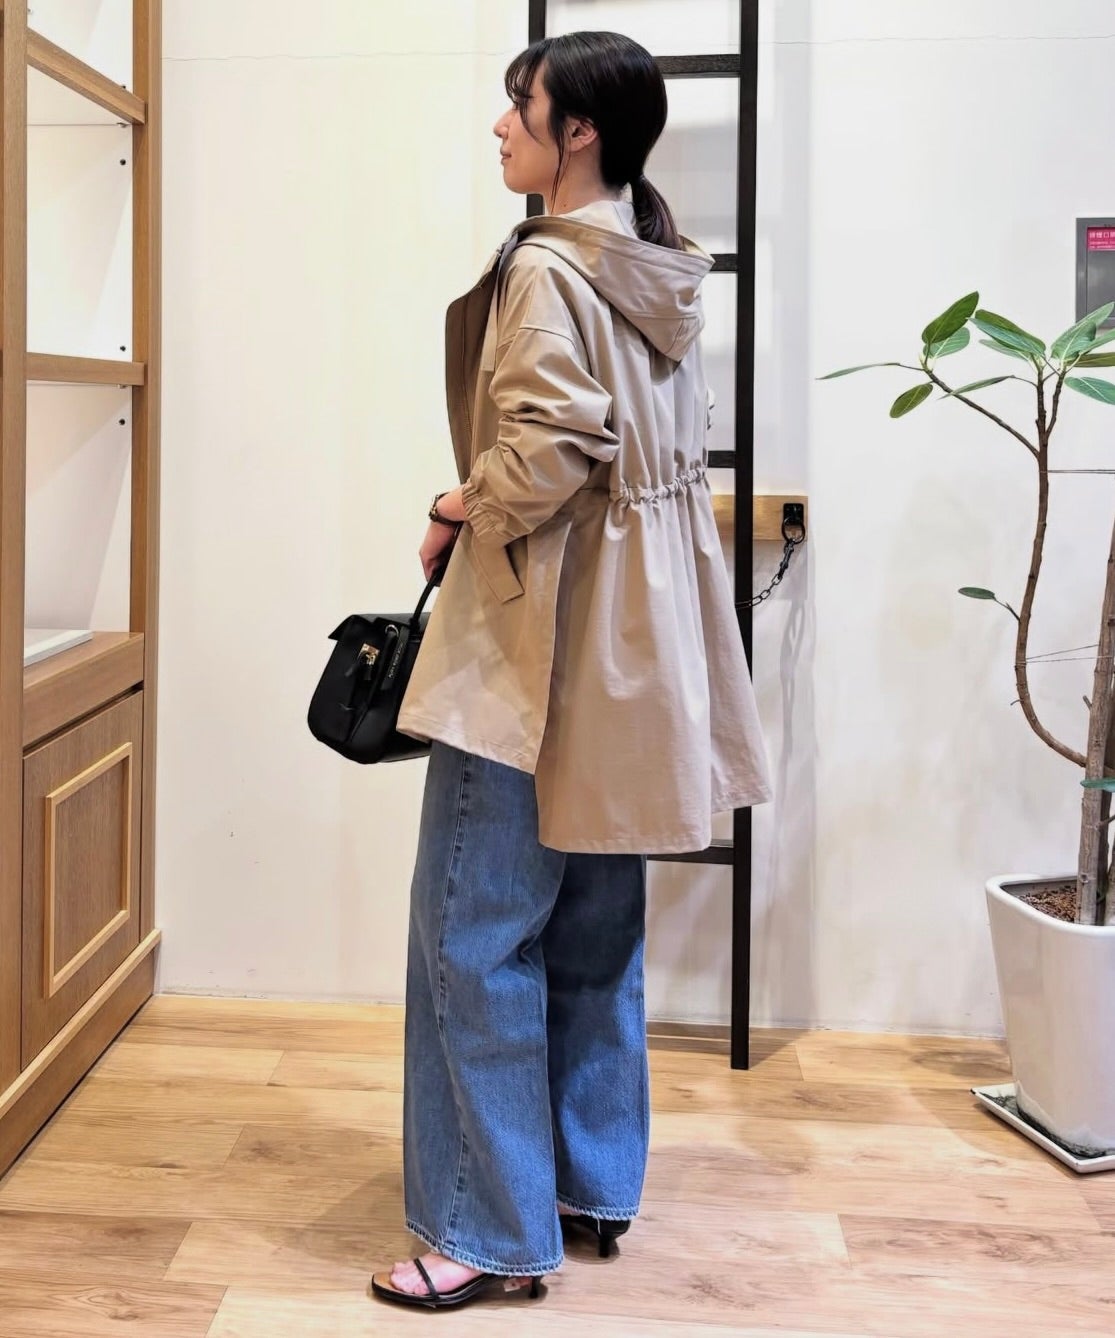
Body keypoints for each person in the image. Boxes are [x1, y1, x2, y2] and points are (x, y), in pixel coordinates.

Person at [370, 30, 772, 1311]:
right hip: (637, 645)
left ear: (577, 132)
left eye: (520, 106)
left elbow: (545, 452)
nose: (501, 127)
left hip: (536, 639)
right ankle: (586, 1185)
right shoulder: (655, 262)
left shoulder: (548, 266)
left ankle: (482, 1229)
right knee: (594, 926)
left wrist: (459, 501)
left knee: (472, 934)